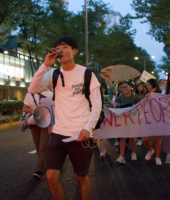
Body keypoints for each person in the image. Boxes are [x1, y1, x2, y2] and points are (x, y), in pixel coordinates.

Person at [28, 36, 102, 200]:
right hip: (58, 133)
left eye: (64, 47)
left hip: (80, 134)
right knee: (51, 177)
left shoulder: (86, 74)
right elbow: (32, 88)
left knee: (81, 177)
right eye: (57, 47)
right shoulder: (53, 74)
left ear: (74, 51)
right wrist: (46, 65)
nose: (60, 49)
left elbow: (97, 105)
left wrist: (87, 128)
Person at [23, 91, 53, 179]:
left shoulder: (49, 94)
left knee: (43, 147)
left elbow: (52, 108)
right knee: (37, 145)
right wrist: (34, 111)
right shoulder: (29, 95)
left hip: (45, 122)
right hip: (34, 122)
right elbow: (25, 108)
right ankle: (45, 164)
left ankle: (39, 170)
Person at [116, 81, 140, 164]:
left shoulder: (135, 97)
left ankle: (133, 153)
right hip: (123, 121)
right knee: (123, 138)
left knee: (131, 137)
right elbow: (117, 109)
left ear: (130, 87)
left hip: (132, 121)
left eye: (126, 87)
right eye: (122, 87)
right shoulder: (120, 97)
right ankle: (121, 156)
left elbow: (139, 109)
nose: (124, 89)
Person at [144, 79, 162, 165]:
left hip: (157, 119)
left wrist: (154, 94)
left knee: (156, 138)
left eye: (148, 85)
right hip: (147, 119)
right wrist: (151, 94)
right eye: (146, 85)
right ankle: (150, 150)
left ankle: (157, 157)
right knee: (146, 139)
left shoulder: (160, 94)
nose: (147, 87)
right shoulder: (146, 94)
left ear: (153, 85)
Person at [109, 81, 124, 146]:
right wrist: (115, 82)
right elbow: (110, 89)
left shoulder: (127, 94)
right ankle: (118, 140)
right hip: (118, 113)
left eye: (123, 87)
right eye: (120, 87)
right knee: (118, 127)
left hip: (125, 113)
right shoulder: (117, 93)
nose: (121, 89)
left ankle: (124, 143)